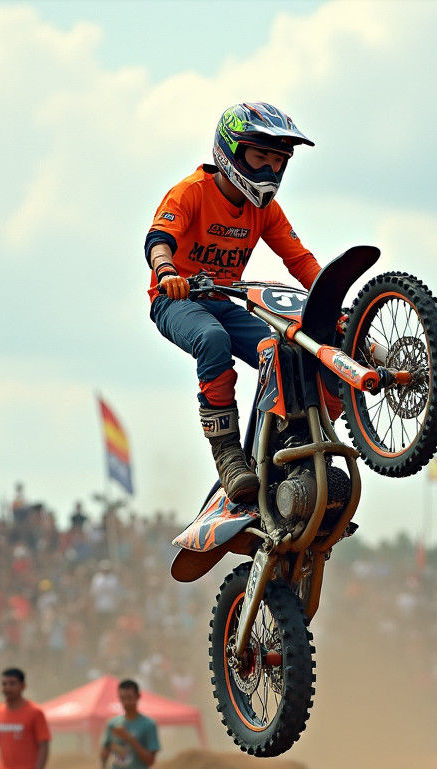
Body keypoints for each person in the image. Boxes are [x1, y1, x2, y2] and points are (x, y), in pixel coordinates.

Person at [145, 101, 339, 503]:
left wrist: (331, 303)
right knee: (212, 339)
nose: (269, 171)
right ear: (230, 152)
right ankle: (228, 454)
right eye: (260, 158)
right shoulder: (191, 192)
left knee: (286, 349)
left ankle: (291, 447)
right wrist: (166, 273)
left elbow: (299, 259)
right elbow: (158, 239)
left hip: (225, 302)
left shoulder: (264, 210)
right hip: (176, 302)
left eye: (278, 162)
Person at [100, 679, 160, 769]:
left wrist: (129, 739)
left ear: (138, 697)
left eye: (129, 698)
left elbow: (150, 760)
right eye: (122, 698)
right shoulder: (112, 724)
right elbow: (105, 751)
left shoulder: (148, 725)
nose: (126, 702)